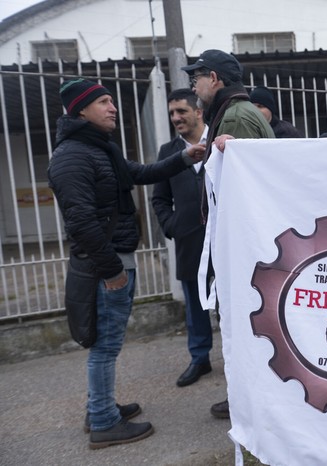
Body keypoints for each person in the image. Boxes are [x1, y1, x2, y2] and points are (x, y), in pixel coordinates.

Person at [47, 78, 205, 448]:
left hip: (115, 260)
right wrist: (113, 271)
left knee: (106, 345)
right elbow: (81, 224)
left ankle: (99, 407)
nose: (112, 107)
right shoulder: (72, 156)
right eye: (103, 101)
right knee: (104, 347)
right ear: (81, 110)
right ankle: (103, 421)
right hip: (106, 267)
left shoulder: (99, 148)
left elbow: (139, 173)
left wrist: (184, 157)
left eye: (111, 101)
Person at [182, 49, 275, 420]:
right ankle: (245, 394)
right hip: (241, 244)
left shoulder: (237, 116)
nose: (193, 84)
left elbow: (251, 190)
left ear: (215, 79)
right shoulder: (232, 113)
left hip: (247, 247)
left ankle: (253, 401)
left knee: (246, 325)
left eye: (197, 76)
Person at [151, 89, 213, 388]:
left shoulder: (221, 141)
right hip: (188, 240)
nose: (176, 118)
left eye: (181, 111)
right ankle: (199, 358)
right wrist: (172, 225)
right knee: (195, 304)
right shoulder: (168, 152)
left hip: (224, 240)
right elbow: (159, 198)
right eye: (172, 113)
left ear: (198, 111)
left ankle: (238, 357)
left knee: (230, 302)